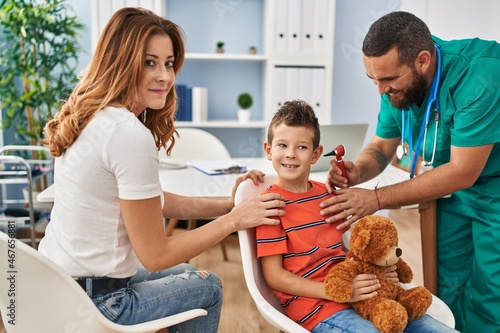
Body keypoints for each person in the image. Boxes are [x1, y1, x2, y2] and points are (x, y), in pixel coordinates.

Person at [38, 7, 285, 333]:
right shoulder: (127, 134)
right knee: (207, 287)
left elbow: (151, 200)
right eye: (149, 63)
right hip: (100, 301)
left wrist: (229, 203)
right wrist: (234, 221)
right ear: (121, 62)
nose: (165, 77)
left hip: (55, 282)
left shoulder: (89, 117)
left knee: (185, 273)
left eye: (169, 64)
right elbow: (155, 256)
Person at [319, 11, 500, 333]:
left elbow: (462, 171)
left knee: (491, 292)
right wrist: (357, 171)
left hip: (492, 192)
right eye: (373, 80)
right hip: (450, 193)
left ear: (423, 60)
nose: (380, 90)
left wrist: (375, 199)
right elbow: (380, 147)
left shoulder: (480, 74)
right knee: (448, 283)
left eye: (388, 80)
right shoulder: (395, 86)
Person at [255, 100, 456, 332]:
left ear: (316, 154)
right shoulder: (270, 206)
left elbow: (345, 250)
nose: (290, 154)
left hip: (363, 296)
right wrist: (339, 292)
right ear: (269, 150)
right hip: (316, 308)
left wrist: (378, 268)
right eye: (282, 145)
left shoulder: (327, 195)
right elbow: (274, 277)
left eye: (301, 147)